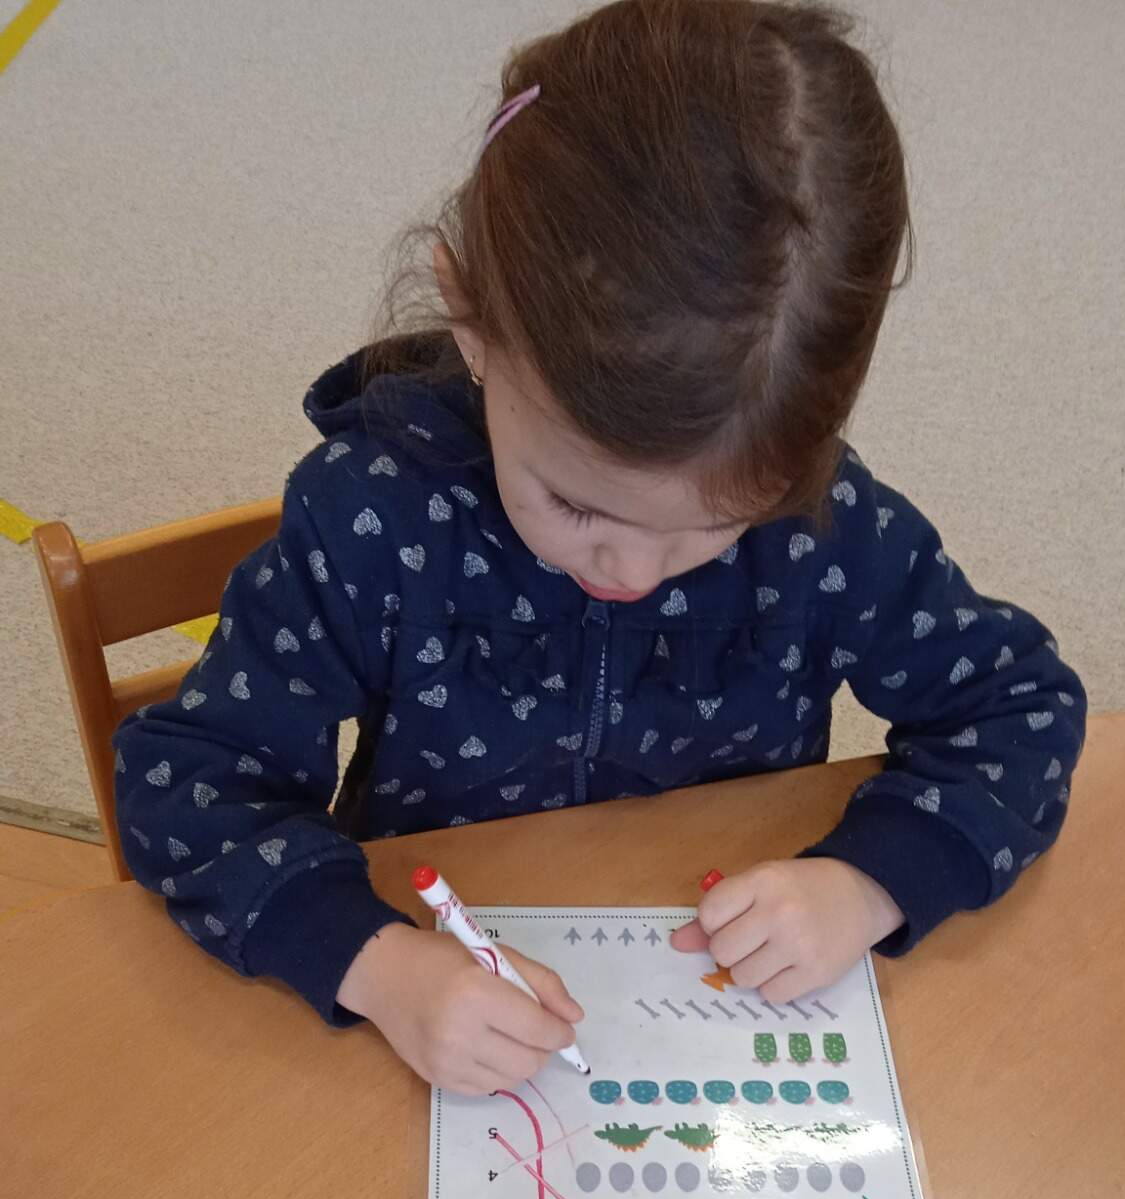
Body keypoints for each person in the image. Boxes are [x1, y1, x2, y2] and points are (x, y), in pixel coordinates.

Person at [115, 0, 1085, 1096]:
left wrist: (870, 883)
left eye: (714, 526)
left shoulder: (818, 526)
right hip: (426, 997)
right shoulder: (370, 518)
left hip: (701, 1008)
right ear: (471, 322)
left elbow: (1021, 708)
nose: (629, 573)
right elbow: (188, 784)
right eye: (576, 505)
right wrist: (376, 963)